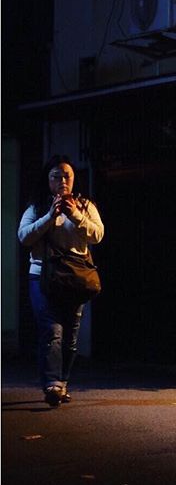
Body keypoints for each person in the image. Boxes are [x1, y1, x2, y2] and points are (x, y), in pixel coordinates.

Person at [18, 155, 104, 407]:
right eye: (56, 176)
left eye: (67, 175)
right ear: (47, 180)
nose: (62, 181)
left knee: (71, 336)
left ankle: (62, 382)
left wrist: (75, 215)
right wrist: (49, 217)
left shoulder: (85, 205)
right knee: (51, 331)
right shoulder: (36, 207)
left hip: (74, 277)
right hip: (42, 276)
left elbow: (97, 235)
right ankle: (52, 383)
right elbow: (23, 237)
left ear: (74, 179)